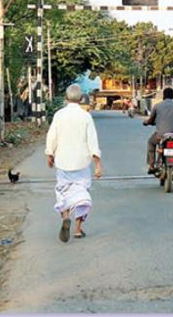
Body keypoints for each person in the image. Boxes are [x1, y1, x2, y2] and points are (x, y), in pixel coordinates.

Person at [45, 84, 102, 243]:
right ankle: (77, 229)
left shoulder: (59, 115)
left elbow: (52, 136)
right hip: (82, 163)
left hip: (63, 162)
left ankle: (65, 216)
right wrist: (97, 165)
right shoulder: (86, 116)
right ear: (80, 99)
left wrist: (50, 154)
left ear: (66, 98)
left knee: (63, 191)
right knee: (81, 194)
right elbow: (93, 142)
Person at [143, 87, 173, 174]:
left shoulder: (157, 106)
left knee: (151, 143)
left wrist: (146, 123)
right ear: (172, 96)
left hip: (160, 136)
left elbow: (150, 120)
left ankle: (151, 165)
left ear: (163, 96)